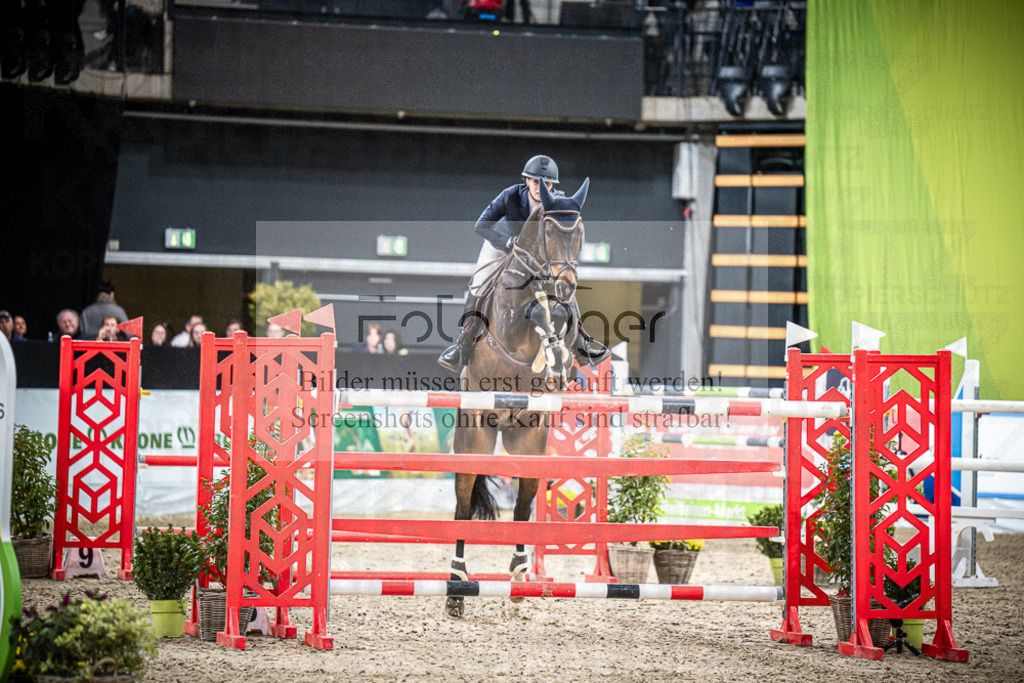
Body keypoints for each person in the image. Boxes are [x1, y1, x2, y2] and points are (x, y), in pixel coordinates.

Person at [437, 155, 609, 372]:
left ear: (552, 185)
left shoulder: (558, 202)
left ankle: (581, 343)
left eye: (546, 183)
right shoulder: (510, 196)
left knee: (565, 288)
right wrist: (507, 242)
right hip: (502, 244)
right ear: (526, 181)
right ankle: (462, 345)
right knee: (480, 283)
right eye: (536, 182)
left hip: (537, 257)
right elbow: (481, 226)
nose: (540, 188)